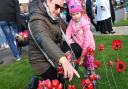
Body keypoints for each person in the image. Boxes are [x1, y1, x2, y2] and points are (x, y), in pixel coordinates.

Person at [28, 0, 80, 82]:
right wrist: (63, 60)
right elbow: (45, 41)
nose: (59, 11)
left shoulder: (52, 13)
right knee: (58, 84)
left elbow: (67, 29)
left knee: (77, 48)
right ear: (48, 1)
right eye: (57, 6)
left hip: (55, 51)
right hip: (42, 61)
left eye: (62, 8)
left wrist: (79, 30)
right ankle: (35, 83)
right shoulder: (36, 20)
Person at [65, 0, 95, 73]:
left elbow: (87, 41)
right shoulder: (72, 22)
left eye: (77, 13)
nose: (75, 16)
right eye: (73, 14)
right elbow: (68, 33)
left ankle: (92, 75)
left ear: (81, 12)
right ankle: (82, 69)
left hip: (88, 47)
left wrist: (83, 54)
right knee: (83, 62)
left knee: (89, 62)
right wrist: (68, 42)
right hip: (79, 45)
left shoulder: (84, 23)